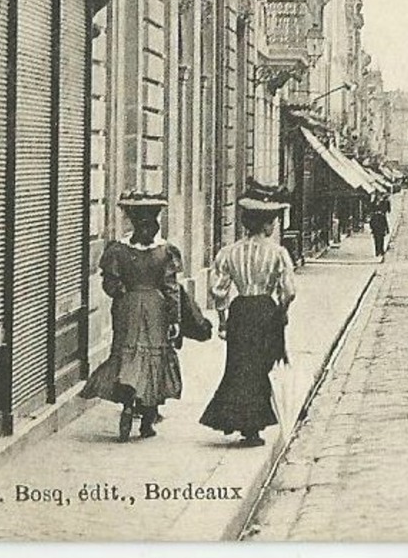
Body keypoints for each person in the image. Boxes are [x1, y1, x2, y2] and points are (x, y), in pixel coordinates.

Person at [200, 181, 297, 447]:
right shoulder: (278, 253)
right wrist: (282, 311)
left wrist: (223, 321)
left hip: (240, 311)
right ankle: (253, 425)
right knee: (260, 367)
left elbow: (218, 290)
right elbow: (288, 290)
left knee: (240, 367)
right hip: (266, 310)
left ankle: (243, 422)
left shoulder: (229, 253)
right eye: (273, 221)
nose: (274, 226)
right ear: (266, 224)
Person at [82, 192, 183, 442]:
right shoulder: (165, 251)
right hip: (155, 308)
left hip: (127, 308)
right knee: (152, 360)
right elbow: (171, 289)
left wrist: (123, 293)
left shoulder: (118, 250)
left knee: (127, 355)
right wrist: (175, 319)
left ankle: (128, 404)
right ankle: (147, 420)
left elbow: (110, 283)